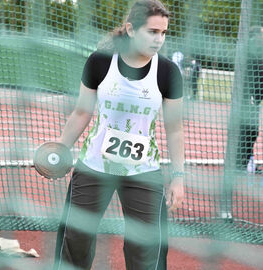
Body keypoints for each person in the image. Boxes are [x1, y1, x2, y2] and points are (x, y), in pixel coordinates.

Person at [53, 0, 184, 269]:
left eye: (163, 33)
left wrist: (178, 178)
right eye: (152, 31)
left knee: (145, 247)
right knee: (76, 236)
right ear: (131, 29)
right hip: (94, 166)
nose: (159, 39)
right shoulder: (100, 61)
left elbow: (175, 128)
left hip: (143, 171)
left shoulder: (168, 72)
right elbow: (81, 112)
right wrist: (60, 149)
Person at [237, 25, 263, 173]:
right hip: (247, 99)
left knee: (252, 132)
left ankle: (248, 161)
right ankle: (242, 164)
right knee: (248, 131)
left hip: (254, 99)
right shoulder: (249, 53)